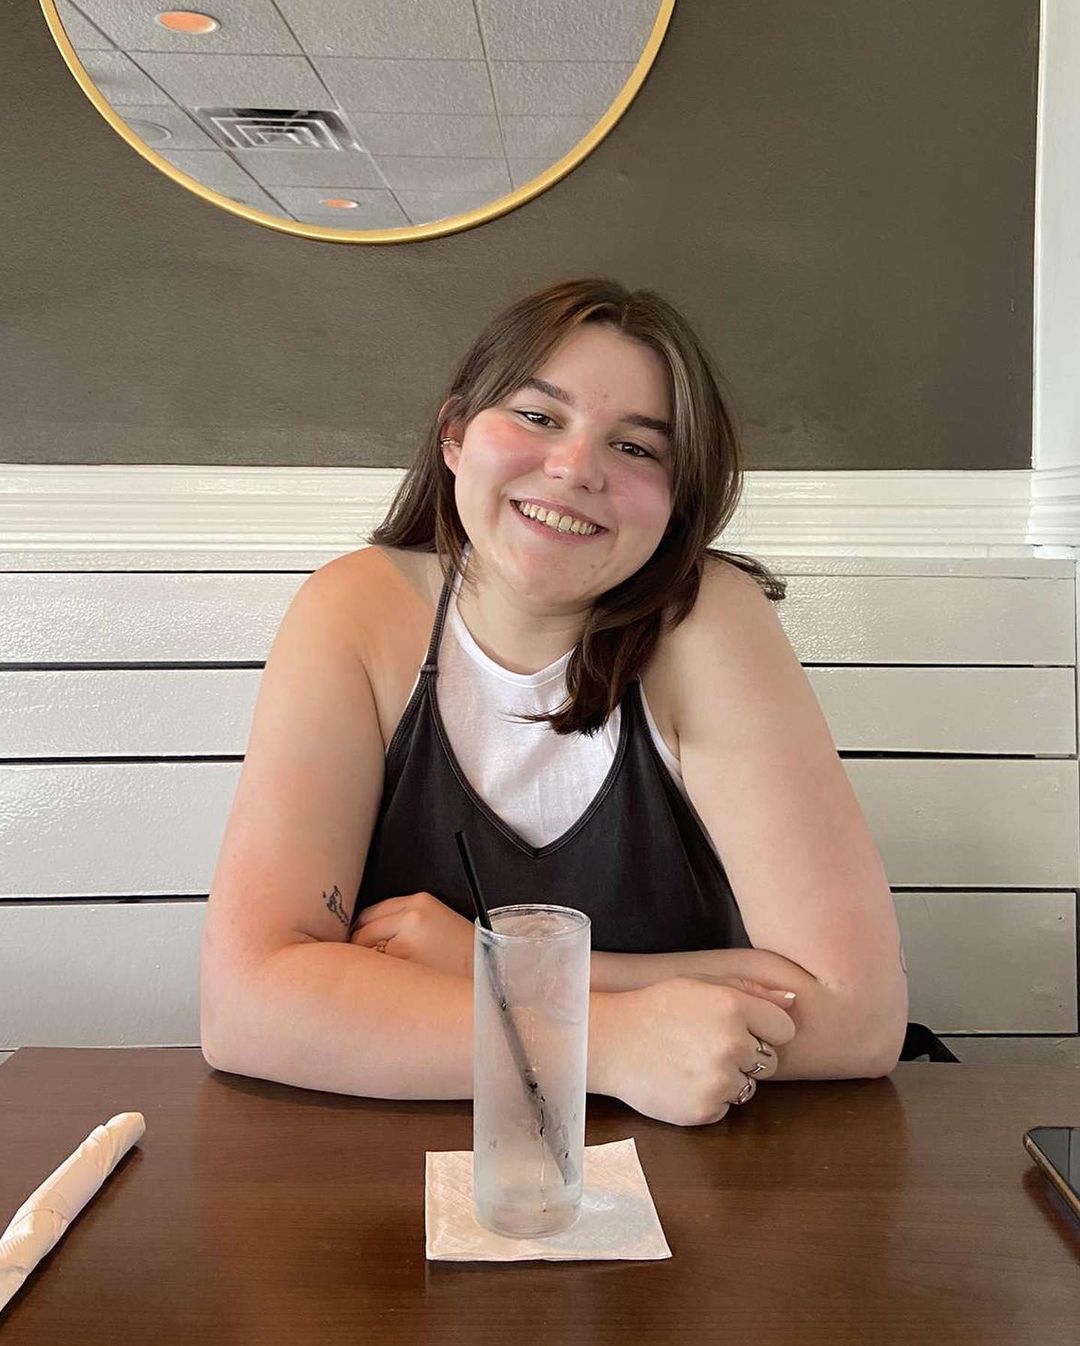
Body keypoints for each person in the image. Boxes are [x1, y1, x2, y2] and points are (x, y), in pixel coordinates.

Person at [199, 277, 909, 1127]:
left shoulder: (709, 622)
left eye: (636, 448)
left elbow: (857, 1019)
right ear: (455, 435)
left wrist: (494, 966)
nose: (576, 469)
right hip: (397, 1167)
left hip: (694, 1168)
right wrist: (605, 1040)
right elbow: (247, 1004)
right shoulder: (355, 611)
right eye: (538, 416)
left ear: (678, 501)